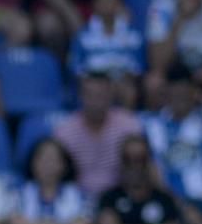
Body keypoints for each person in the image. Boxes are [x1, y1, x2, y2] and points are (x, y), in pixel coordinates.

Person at [142, 64, 202, 224]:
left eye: (184, 92)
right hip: (174, 201)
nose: (180, 98)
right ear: (166, 93)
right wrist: (184, 208)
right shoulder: (152, 124)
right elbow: (153, 172)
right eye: (175, 92)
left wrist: (200, 96)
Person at [54, 70, 141, 199]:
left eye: (100, 95)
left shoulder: (129, 126)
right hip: (75, 200)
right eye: (90, 95)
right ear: (81, 96)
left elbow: (142, 168)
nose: (95, 101)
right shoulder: (64, 131)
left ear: (111, 95)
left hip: (120, 197)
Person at [68, 0, 144, 109]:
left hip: (122, 84)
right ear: (94, 5)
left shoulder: (133, 34)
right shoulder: (82, 36)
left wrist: (116, 84)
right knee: (94, 93)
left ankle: (125, 127)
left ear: (118, 3)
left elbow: (137, 68)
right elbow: (77, 69)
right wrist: (98, 85)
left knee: (129, 92)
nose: (107, 3)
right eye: (102, 0)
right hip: (93, 84)